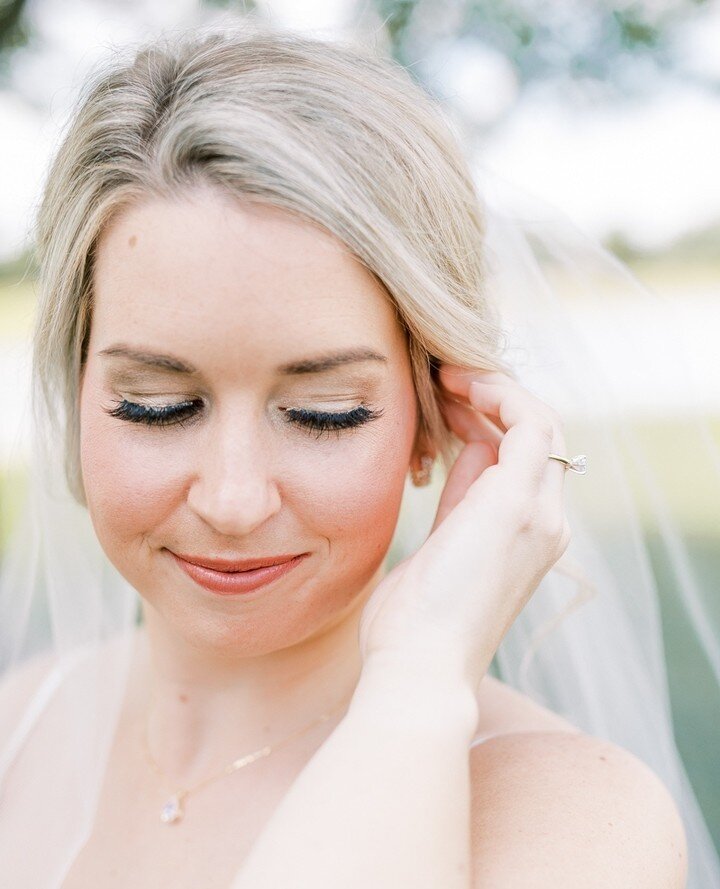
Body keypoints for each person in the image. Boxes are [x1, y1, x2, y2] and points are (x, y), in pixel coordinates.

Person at [0, 20, 717, 888]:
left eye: (323, 413)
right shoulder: (16, 727)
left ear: (434, 420)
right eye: (157, 406)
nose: (233, 499)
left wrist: (419, 671)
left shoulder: (572, 819)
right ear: (76, 397)